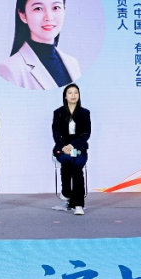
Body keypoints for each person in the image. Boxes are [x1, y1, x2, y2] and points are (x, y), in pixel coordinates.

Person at [0, 0, 81, 90]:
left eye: (56, 7)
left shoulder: (73, 64)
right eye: (38, 8)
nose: (48, 17)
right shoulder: (9, 69)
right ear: (23, 15)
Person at [52, 83, 90, 215]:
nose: (73, 95)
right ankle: (67, 192)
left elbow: (86, 134)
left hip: (79, 148)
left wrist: (72, 145)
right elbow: (56, 133)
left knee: (78, 166)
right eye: (70, 93)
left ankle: (78, 205)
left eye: (76, 92)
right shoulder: (58, 113)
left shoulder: (85, 113)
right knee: (67, 161)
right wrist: (63, 147)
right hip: (62, 148)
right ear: (65, 96)